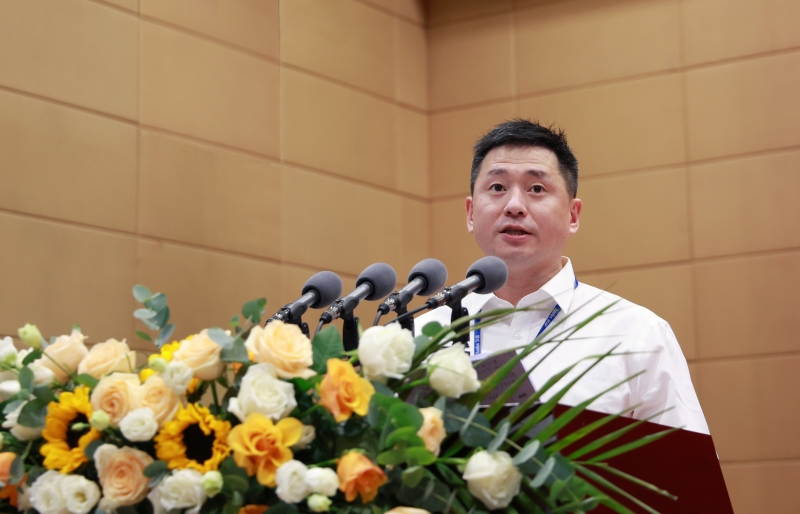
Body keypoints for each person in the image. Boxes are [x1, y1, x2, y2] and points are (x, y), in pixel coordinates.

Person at [415, 119, 709, 434]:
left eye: (536, 189)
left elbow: (688, 462)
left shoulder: (637, 334)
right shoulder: (420, 338)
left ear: (572, 215)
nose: (514, 206)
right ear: (471, 213)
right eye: (497, 187)